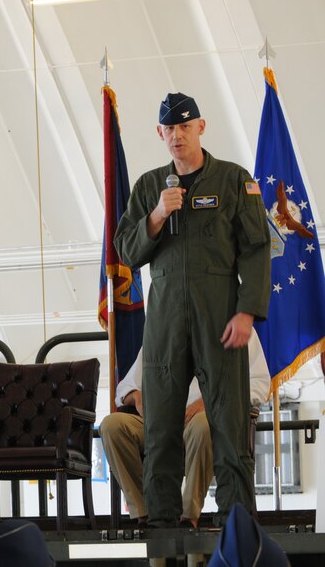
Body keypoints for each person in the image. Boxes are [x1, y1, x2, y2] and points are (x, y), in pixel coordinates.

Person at [113, 92, 271, 527]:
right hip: (165, 318)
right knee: (160, 430)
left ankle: (238, 530)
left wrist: (246, 312)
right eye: (170, 128)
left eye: (186, 126)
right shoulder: (149, 187)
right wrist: (156, 217)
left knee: (228, 425)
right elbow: (125, 249)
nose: (178, 135)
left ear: (201, 127)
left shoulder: (235, 181)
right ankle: (163, 534)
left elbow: (257, 250)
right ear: (160, 134)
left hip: (219, 314)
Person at [100, 331, 270, 527]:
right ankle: (147, 512)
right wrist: (137, 397)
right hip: (161, 424)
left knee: (202, 425)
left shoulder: (235, 324)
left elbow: (259, 385)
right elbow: (125, 388)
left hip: (209, 421)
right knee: (112, 426)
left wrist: (209, 404)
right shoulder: (165, 325)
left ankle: (189, 516)